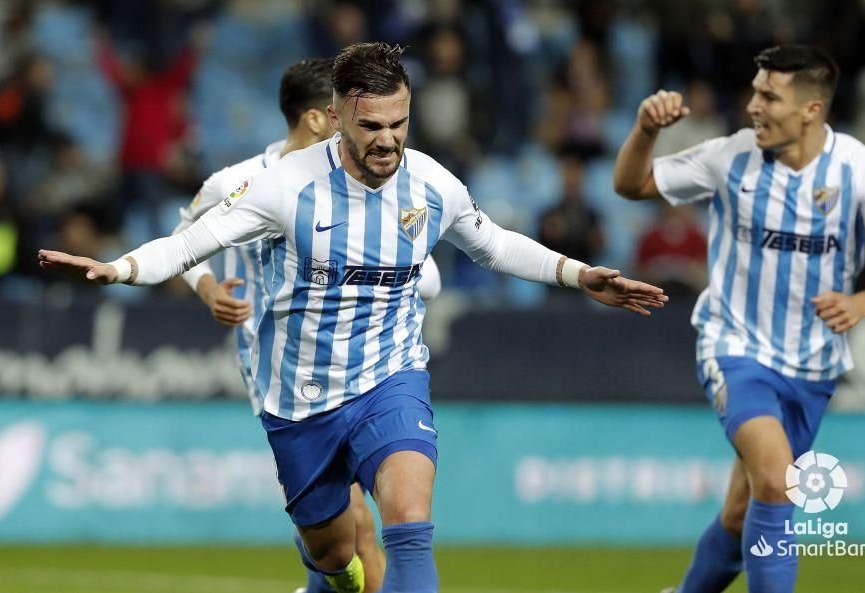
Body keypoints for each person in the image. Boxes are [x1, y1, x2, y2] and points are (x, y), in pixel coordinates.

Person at [39, 42, 668, 593]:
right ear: (336, 116)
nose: (388, 140)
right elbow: (184, 245)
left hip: (390, 379)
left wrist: (578, 275)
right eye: (371, 126)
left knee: (409, 523)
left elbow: (496, 244)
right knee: (336, 553)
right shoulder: (283, 187)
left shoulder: (430, 184)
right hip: (301, 398)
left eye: (399, 123)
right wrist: (116, 270)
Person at [614, 45, 865, 593]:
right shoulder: (730, 157)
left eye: (770, 95)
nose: (753, 105)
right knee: (776, 479)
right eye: (754, 90)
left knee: (741, 516)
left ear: (812, 109)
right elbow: (632, 185)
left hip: (813, 367)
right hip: (736, 347)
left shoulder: (862, 170)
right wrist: (645, 130)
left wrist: (863, 303)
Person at [172, 57, 438, 593]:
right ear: (319, 119)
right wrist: (207, 289)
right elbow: (183, 233)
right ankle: (325, 573)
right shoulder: (240, 181)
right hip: (276, 367)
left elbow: (425, 272)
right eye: (343, 112)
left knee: (360, 523)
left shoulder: (360, 184)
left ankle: (322, 580)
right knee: (352, 523)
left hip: (357, 364)